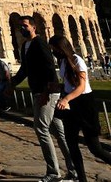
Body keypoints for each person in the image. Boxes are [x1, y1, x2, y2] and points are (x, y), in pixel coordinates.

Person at [8, 16, 76, 182]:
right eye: (20, 26)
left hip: (47, 93)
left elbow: (49, 68)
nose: (22, 29)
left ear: (33, 27)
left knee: (41, 128)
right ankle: (74, 170)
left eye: (25, 26)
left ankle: (54, 172)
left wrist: (47, 91)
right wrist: (12, 84)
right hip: (39, 91)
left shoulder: (40, 43)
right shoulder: (25, 45)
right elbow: (24, 69)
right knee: (59, 133)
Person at [49, 35, 111, 182]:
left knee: (95, 148)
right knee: (71, 144)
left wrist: (65, 99)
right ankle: (82, 179)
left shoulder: (77, 60)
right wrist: (59, 87)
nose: (53, 52)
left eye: (54, 49)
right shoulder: (63, 61)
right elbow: (70, 85)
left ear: (61, 47)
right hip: (72, 105)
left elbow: (81, 86)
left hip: (84, 104)